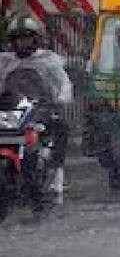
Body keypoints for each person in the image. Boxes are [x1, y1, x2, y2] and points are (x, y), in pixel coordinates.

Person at [0, 16, 73, 204]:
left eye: (26, 38)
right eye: (18, 38)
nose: (21, 42)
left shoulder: (48, 61)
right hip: (12, 110)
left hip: (41, 108)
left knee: (60, 129)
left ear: (35, 39)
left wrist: (62, 98)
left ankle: (55, 177)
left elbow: (64, 83)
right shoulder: (4, 62)